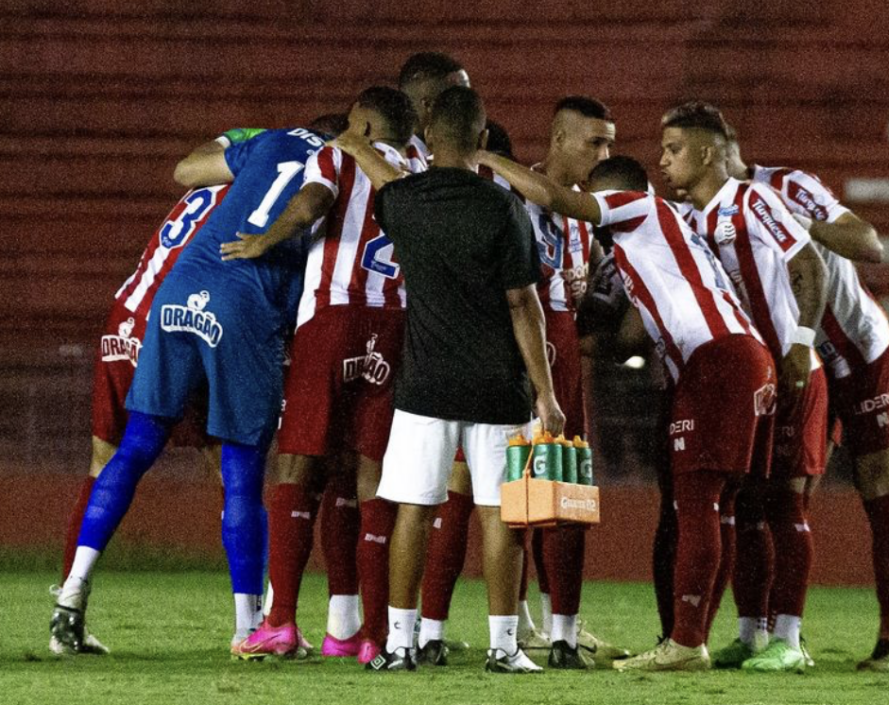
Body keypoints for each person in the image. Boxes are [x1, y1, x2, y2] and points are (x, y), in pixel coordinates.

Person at [476, 151, 777, 671]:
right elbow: (626, 339)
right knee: (718, 506)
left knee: (697, 504)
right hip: (741, 358)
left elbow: (556, 197)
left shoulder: (638, 207)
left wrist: (484, 157)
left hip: (717, 359)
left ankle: (685, 644)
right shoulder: (653, 248)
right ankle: (691, 639)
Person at [49, 118, 338, 657]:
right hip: (240, 301)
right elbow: (312, 224)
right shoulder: (337, 170)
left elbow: (188, 169)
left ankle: (70, 594)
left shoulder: (265, 144)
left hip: (166, 295)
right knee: (241, 469)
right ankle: (247, 627)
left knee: (130, 449)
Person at [343, 85, 563, 672]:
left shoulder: (403, 202)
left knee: (413, 509)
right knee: (501, 514)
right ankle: (504, 647)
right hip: (498, 384)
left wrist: (351, 141)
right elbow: (523, 304)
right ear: (484, 140)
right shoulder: (503, 208)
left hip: (425, 385)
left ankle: (398, 644)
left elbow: (384, 177)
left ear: (428, 141)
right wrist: (546, 393)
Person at [220, 87, 423, 662]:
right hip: (396, 326)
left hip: (333, 316)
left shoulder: (338, 153)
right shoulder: (419, 169)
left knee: (297, 463)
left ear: (360, 121)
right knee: (368, 474)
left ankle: (280, 620)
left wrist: (263, 239)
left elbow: (311, 203)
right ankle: (368, 634)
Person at [724, 131, 889, 672]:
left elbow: (869, 244)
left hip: (857, 352)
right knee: (780, 495)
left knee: (878, 488)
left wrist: (797, 225)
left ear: (722, 150)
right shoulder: (712, 214)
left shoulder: (786, 185)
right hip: (801, 362)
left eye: (677, 149)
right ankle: (777, 636)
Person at [659, 102, 827, 673]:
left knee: (784, 502)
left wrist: (802, 341)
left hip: (794, 369)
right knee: (748, 505)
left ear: (707, 151)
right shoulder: (686, 219)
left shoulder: (753, 201)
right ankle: (751, 633)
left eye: (674, 150)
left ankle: (791, 638)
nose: (663, 162)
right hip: (749, 381)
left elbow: (811, 266)